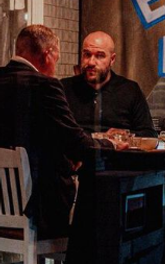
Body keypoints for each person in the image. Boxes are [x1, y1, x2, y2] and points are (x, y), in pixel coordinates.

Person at [0, 25, 103, 237]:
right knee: (98, 220)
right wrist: (110, 145)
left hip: (3, 204)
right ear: (48, 55)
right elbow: (75, 141)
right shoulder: (45, 85)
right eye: (56, 59)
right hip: (37, 210)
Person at [60, 31, 157, 137]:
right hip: (77, 151)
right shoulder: (64, 88)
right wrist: (99, 137)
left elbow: (150, 135)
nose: (91, 62)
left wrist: (124, 135)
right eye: (87, 54)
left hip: (117, 152)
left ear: (112, 59)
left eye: (100, 56)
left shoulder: (129, 90)